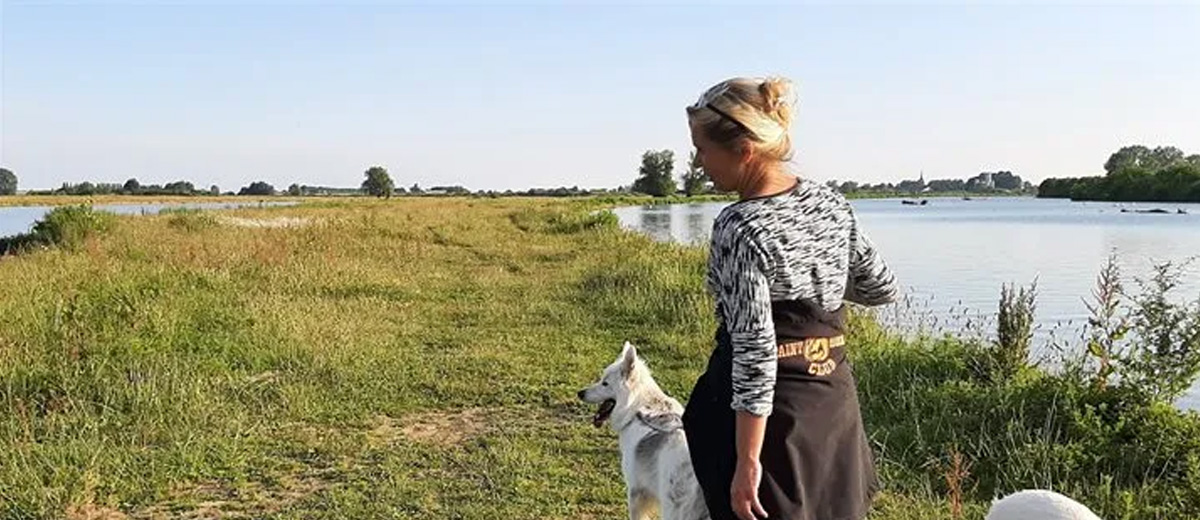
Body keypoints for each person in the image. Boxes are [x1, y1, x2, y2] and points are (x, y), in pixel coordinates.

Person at [680, 76, 899, 520]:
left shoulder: (740, 227)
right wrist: (819, 285)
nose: (699, 163)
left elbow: (756, 354)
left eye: (702, 149)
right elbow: (880, 287)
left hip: (770, 424)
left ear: (744, 150)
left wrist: (748, 462)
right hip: (829, 406)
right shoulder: (831, 204)